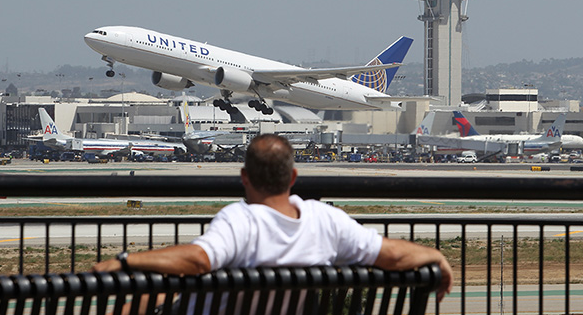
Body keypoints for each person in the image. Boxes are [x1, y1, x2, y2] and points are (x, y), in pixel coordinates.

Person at [93, 134, 453, 307]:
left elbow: (199, 260)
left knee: (142, 299)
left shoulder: (240, 221)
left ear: (244, 177)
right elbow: (390, 254)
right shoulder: (326, 221)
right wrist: (434, 255)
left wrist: (126, 260)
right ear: (293, 177)